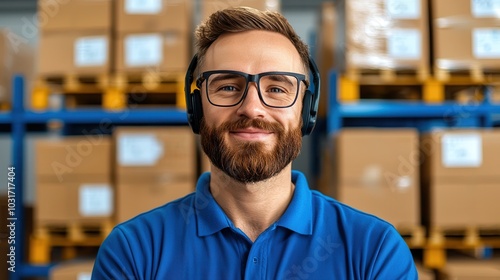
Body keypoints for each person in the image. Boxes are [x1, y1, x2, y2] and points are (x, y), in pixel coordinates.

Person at [92, 7, 418, 279]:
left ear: (306, 109)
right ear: (196, 108)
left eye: (277, 88)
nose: (251, 107)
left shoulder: (374, 251)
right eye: (228, 87)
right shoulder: (134, 252)